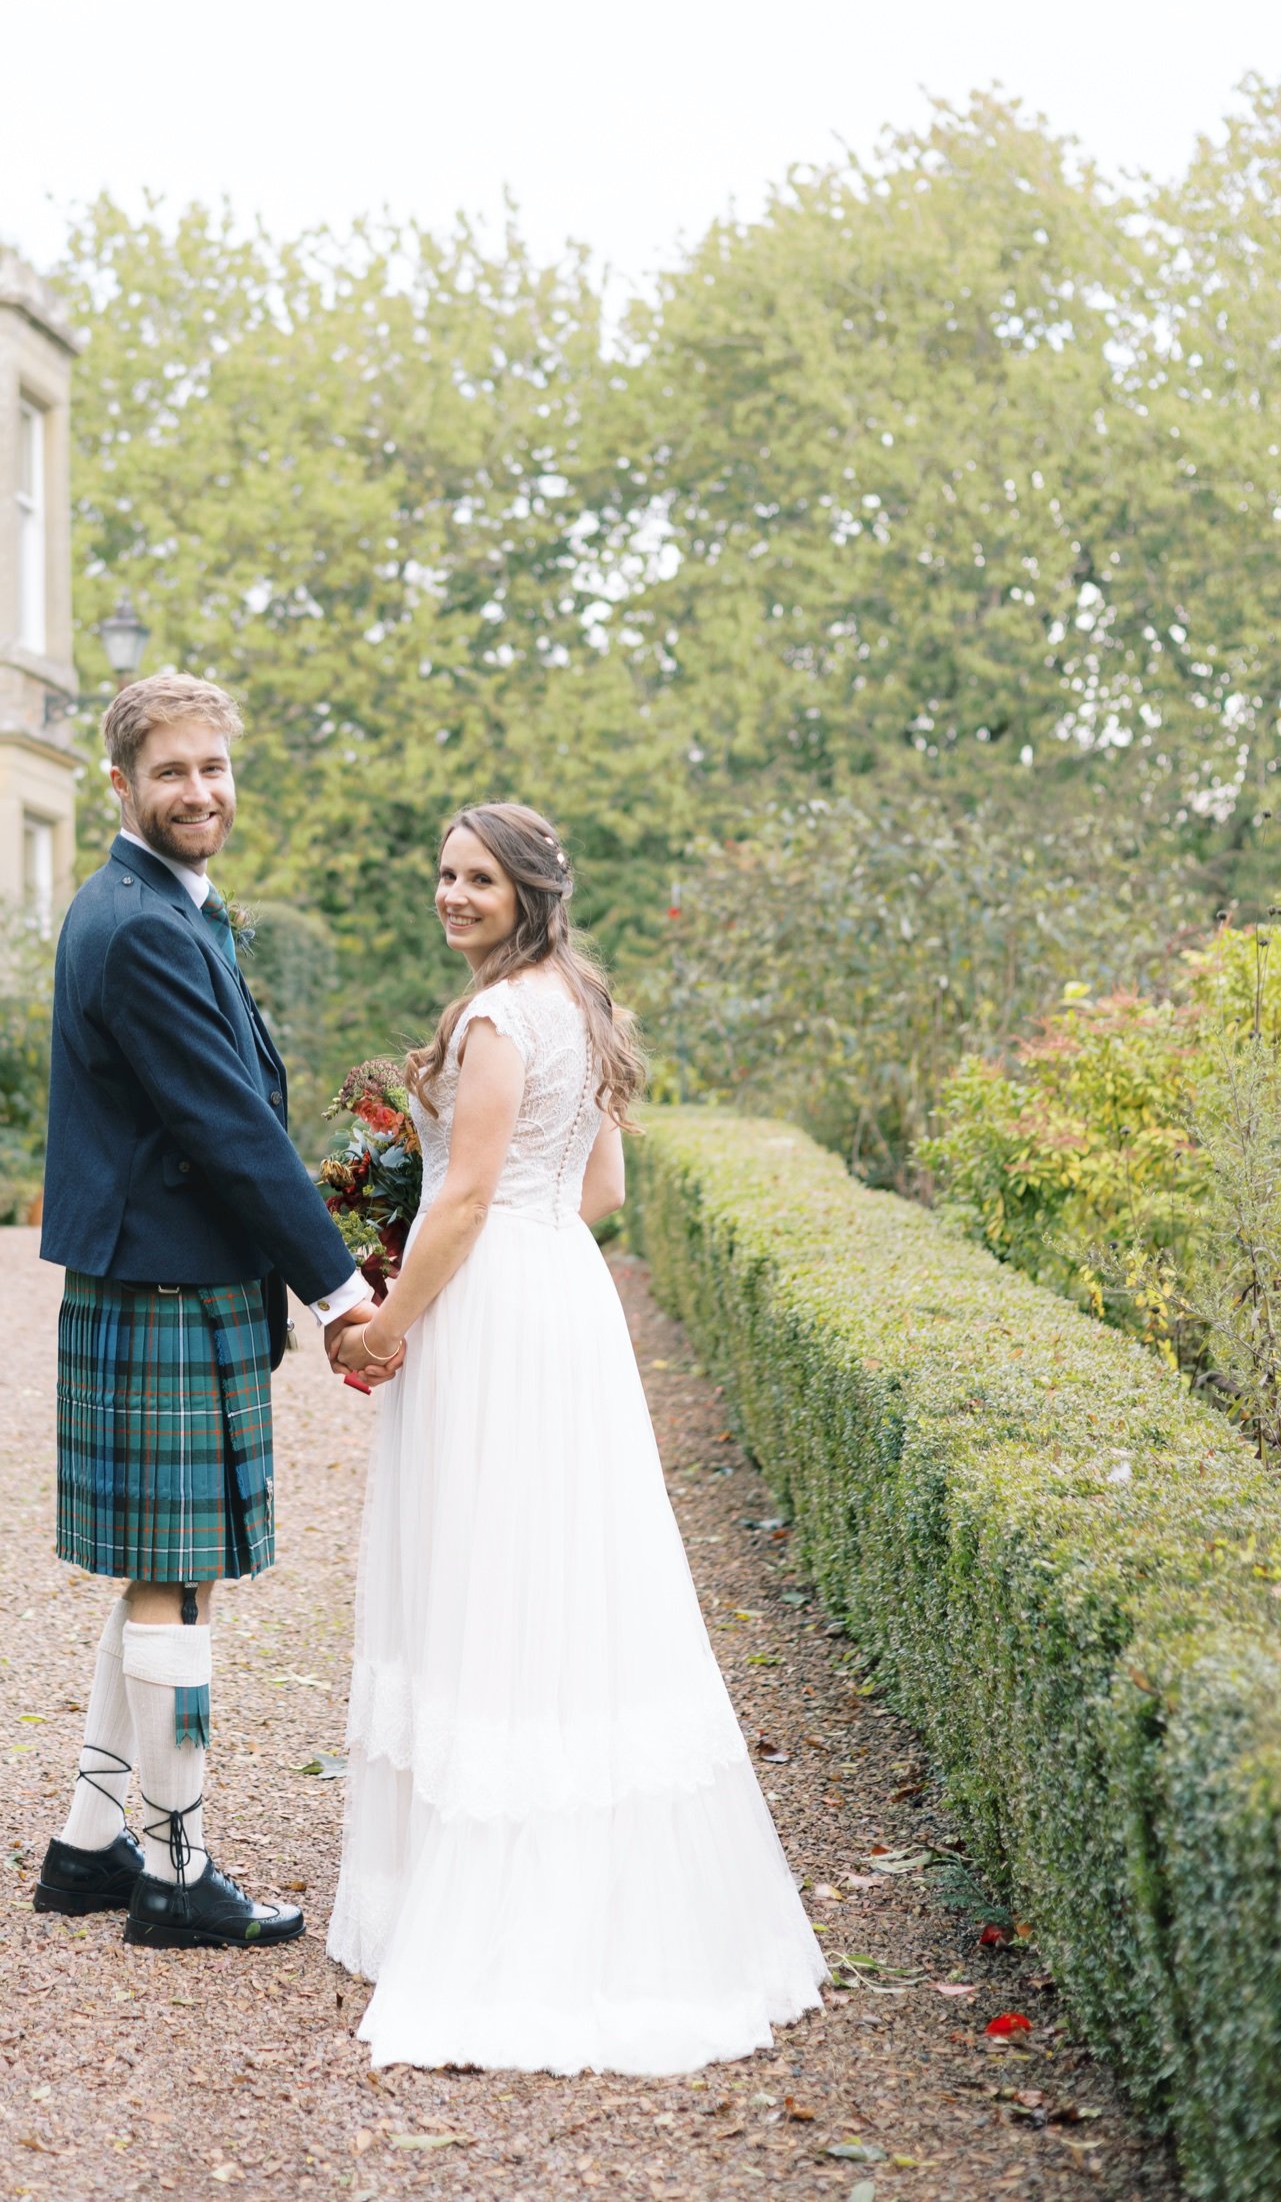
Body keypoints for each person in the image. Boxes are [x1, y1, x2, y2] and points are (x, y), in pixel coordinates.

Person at [324, 803, 827, 2070]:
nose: (451, 893)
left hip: (490, 1305)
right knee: (564, 1575)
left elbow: (470, 1191)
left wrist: (387, 1319)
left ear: (527, 890)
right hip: (564, 1304)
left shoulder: (496, 1020)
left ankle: (483, 1902)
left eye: (476, 877)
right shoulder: (580, 1002)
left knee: (485, 1568)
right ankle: (566, 1869)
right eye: (442, 873)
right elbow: (596, 1193)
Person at [32, 672, 399, 1948]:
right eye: (173, 771)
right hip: (167, 1283)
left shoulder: (158, 904)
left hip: (164, 1280)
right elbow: (230, 1130)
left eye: (215, 769)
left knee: (161, 1576)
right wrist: (344, 1287)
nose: (201, 791)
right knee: (176, 1591)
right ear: (121, 785)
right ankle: (179, 1868)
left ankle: (87, 1844)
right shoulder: (137, 925)